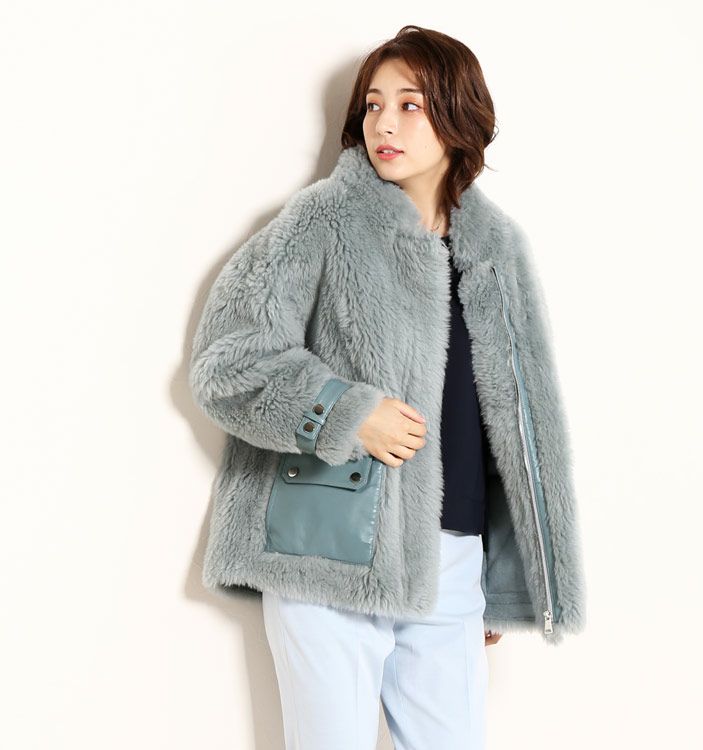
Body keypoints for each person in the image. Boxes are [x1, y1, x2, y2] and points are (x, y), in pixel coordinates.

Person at [189, 24, 586, 750]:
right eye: (373, 105)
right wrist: (344, 412)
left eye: (410, 105)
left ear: (459, 117)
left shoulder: (497, 250)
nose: (384, 124)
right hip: (328, 553)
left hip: (451, 563)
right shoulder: (322, 221)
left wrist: (503, 575)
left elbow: (520, 428)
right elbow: (227, 362)